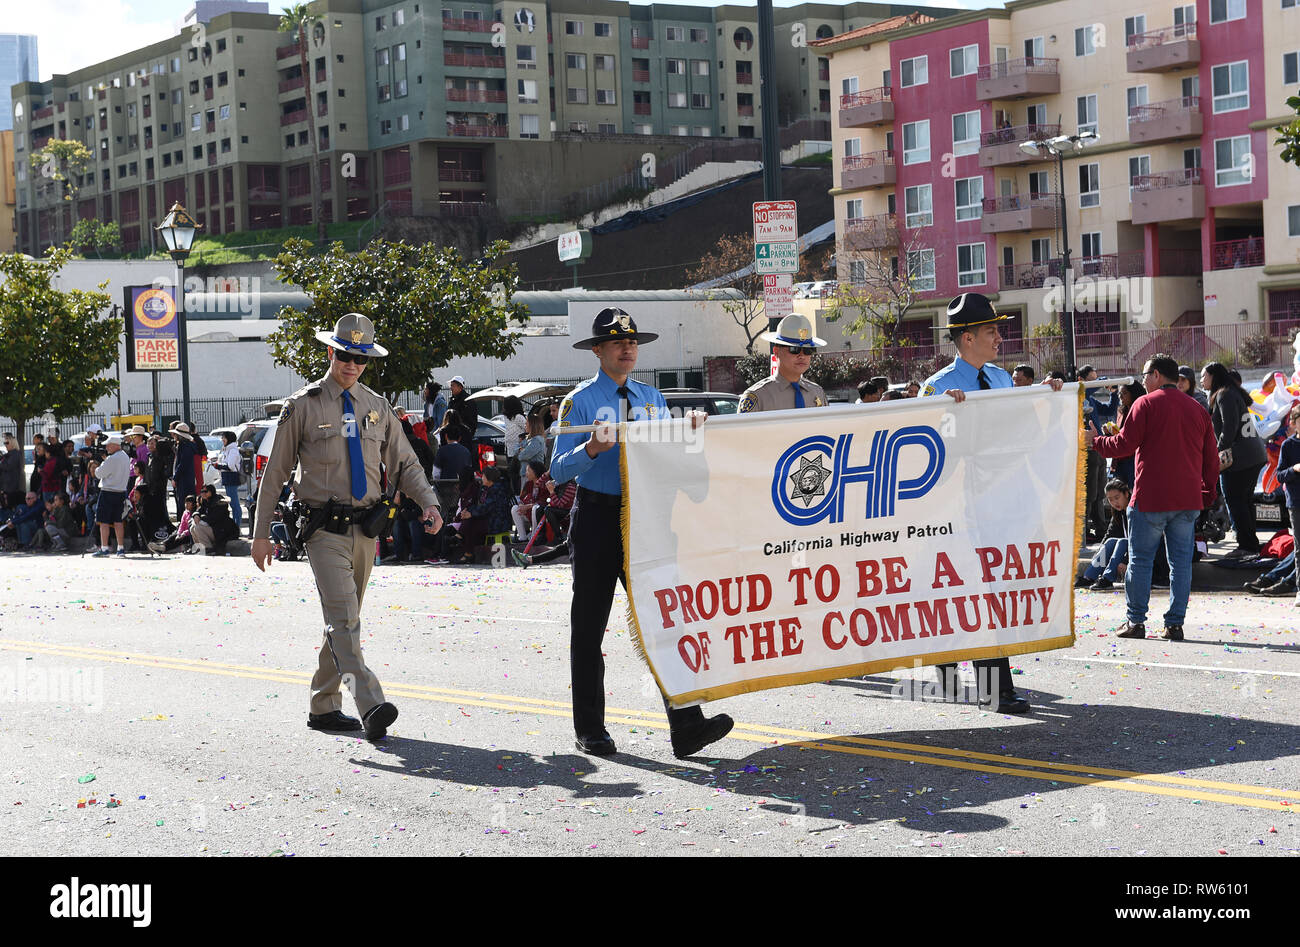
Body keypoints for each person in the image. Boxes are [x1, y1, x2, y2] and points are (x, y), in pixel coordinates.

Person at [550, 307, 733, 759]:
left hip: (648, 516)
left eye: (632, 342)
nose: (627, 348)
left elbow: (672, 457)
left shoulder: (652, 396)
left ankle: (686, 723)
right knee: (589, 626)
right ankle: (590, 728)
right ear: (597, 350)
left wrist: (689, 438)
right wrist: (591, 447)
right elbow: (556, 469)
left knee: (666, 618)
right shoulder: (580, 401)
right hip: (597, 515)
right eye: (617, 342)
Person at [251, 314, 442, 742]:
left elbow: (404, 462)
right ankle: (370, 702)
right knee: (345, 619)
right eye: (344, 355)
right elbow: (276, 472)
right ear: (330, 352)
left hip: (366, 532)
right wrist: (261, 532)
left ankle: (323, 707)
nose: (351, 364)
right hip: (322, 530)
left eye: (360, 357)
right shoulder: (302, 405)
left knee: (343, 621)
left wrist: (428, 501)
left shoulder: (377, 407)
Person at [920, 293, 1063, 713]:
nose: (1000, 337)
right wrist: (951, 417)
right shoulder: (940, 387)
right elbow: (930, 450)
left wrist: (1048, 397)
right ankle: (971, 677)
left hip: (999, 507)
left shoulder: (1001, 380)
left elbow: (1022, 431)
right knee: (962, 591)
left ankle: (987, 683)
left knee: (991, 591)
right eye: (990, 331)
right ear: (966, 339)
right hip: (955, 509)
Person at [1088, 355, 1219, 641]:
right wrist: (1208, 492)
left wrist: (1095, 441)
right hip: (1186, 499)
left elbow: (1123, 445)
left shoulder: (1145, 404)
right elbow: (1212, 457)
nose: (1143, 380)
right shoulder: (1197, 410)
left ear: (1157, 375)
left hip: (1150, 499)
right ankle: (1174, 624)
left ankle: (1136, 622)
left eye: (1145, 375)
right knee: (1180, 564)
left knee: (1140, 561)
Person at [1202, 361, 1266, 558]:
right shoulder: (1232, 391)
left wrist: (1215, 454)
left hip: (1240, 458)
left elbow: (1228, 430)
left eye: (1204, 375)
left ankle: (1246, 545)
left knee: (1235, 501)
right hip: (1253, 454)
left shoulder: (1223, 394)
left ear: (1213, 376)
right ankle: (1251, 544)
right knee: (1244, 501)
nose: (1201, 379)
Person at [737, 314, 829, 412]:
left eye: (808, 350)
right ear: (776, 352)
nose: (802, 356)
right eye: (794, 349)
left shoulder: (817, 392)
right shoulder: (757, 397)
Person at [1075, 479, 1130, 590]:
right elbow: (1109, 534)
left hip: (1144, 552)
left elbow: (1139, 539)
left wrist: (1125, 561)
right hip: (1128, 548)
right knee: (1110, 541)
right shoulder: (1118, 513)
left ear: (1126, 494)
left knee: (1122, 541)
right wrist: (1099, 551)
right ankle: (1089, 577)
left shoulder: (1136, 511)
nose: (1114, 503)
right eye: (1110, 500)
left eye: (1117, 498)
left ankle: (1108, 578)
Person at [1272, 403, 1300, 605]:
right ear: (1294, 424)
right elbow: (1279, 475)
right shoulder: (1288, 445)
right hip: (1296, 502)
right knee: (1299, 548)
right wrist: (1295, 469)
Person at [90, 434, 131, 557]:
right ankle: (120, 548)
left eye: (108, 445)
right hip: (120, 492)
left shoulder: (112, 459)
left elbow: (98, 473)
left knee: (103, 521)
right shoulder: (125, 457)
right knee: (118, 521)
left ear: (115, 445)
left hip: (108, 492)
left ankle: (104, 548)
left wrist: (100, 465)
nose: (106, 447)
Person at [190, 483, 240, 555]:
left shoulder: (218, 502)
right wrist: (196, 515)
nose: (203, 493)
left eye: (205, 491)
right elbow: (199, 510)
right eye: (202, 492)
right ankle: (199, 548)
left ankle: (208, 547)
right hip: (213, 528)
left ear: (211, 492)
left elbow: (213, 518)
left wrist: (201, 518)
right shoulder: (205, 501)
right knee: (192, 527)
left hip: (221, 531)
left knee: (198, 527)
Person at [216, 431, 244, 533]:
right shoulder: (227, 449)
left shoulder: (232, 450)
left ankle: (237, 527)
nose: (222, 439)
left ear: (229, 439)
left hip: (231, 478)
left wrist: (218, 466)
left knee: (234, 504)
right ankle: (236, 526)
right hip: (228, 478)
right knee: (233, 503)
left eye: (224, 437)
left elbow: (230, 466)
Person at [501, 395, 527, 496]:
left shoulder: (518, 417)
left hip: (517, 451)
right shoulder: (507, 418)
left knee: (517, 475)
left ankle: (519, 494)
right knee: (512, 474)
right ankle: (515, 494)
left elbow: (527, 428)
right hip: (509, 450)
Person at [446, 376, 478, 449]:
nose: (451, 388)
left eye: (452, 386)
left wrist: (465, 436)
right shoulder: (452, 400)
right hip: (452, 439)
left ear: (460, 387)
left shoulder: (469, 401)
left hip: (464, 440)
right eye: (451, 386)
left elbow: (472, 422)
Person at [0, 433, 23, 509]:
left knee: (10, 506)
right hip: (6, 485)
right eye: (4, 443)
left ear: (13, 443)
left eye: (7, 443)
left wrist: (1, 462)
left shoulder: (15, 454)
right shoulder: (8, 454)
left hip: (11, 486)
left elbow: (8, 466)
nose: (5, 445)